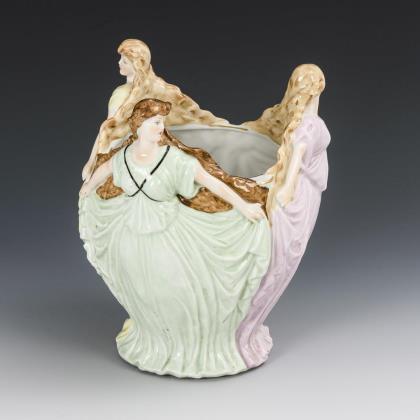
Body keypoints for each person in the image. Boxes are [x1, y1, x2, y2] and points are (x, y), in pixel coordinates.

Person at [78, 98, 272, 378]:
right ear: (139, 125)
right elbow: (103, 171)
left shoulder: (174, 159)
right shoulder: (125, 156)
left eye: (162, 123)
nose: (161, 128)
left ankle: (197, 348)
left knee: (178, 284)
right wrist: (87, 190)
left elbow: (211, 182)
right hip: (132, 228)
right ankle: (153, 337)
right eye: (155, 122)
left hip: (169, 233)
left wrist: (243, 206)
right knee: (140, 282)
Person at [236, 64, 332, 368]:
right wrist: (283, 192)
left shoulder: (305, 123)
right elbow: (295, 164)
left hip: (302, 195)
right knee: (281, 261)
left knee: (282, 262)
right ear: (320, 87)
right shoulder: (308, 126)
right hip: (297, 200)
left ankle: (244, 331)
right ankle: (242, 333)